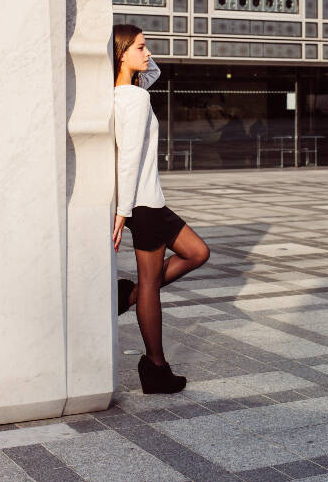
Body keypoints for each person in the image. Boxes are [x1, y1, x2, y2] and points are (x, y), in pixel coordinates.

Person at [113, 23, 210, 394]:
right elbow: (130, 158)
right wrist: (123, 212)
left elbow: (152, 71)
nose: (148, 53)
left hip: (150, 202)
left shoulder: (122, 95)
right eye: (141, 46)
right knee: (152, 285)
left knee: (197, 252)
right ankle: (155, 366)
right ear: (122, 54)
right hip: (144, 204)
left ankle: (128, 296)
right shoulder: (136, 100)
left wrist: (130, 58)